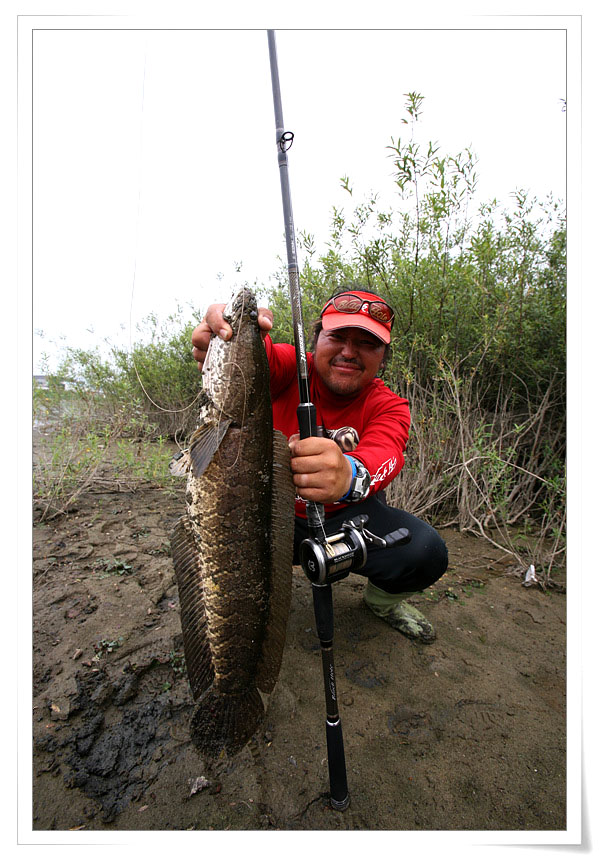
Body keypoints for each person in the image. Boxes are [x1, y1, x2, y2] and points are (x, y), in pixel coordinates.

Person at [191, 288, 448, 643]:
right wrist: (228, 336)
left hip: (343, 520)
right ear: (315, 340)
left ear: (383, 358)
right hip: (268, 515)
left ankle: (382, 603)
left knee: (426, 552)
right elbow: (260, 356)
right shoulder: (290, 367)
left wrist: (348, 475)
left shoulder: (390, 405)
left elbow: (385, 453)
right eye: (337, 336)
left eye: (367, 343)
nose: (349, 352)